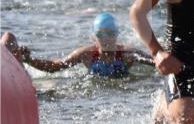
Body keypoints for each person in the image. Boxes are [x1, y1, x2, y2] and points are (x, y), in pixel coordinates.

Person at [2, 14, 153, 78]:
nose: (106, 39)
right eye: (101, 34)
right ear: (94, 36)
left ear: (116, 35)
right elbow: (56, 66)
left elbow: (155, 62)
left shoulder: (128, 54)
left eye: (110, 34)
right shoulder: (86, 55)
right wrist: (29, 60)